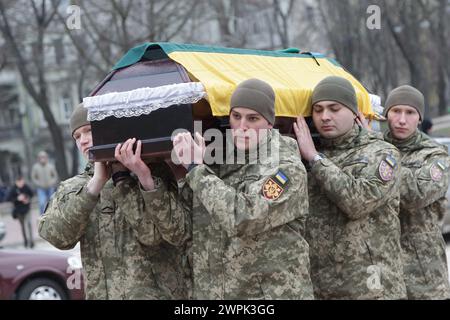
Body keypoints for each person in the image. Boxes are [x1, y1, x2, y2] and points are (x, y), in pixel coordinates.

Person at [172, 78, 314, 299]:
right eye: (236, 116)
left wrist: (195, 169)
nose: (242, 126)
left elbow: (244, 217)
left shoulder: (286, 169)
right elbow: (186, 226)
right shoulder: (219, 160)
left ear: (269, 123)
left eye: (253, 118)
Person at [39, 103, 189, 300]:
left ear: (107, 131)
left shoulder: (152, 173)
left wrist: (127, 179)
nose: (83, 141)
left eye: (89, 131)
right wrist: (95, 185)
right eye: (77, 136)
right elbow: (58, 237)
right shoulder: (73, 188)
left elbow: (168, 234)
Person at [293, 76, 407, 299]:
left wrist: (315, 159)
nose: (325, 116)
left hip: (371, 287)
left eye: (334, 109)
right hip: (322, 285)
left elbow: (358, 202)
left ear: (354, 112)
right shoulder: (305, 155)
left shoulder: (382, 153)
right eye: (318, 110)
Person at [383, 85, 450, 299]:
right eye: (396, 111)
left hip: (423, 271)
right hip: (380, 266)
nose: (402, 120)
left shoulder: (434, 155)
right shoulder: (373, 148)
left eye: (410, 112)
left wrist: (382, 161)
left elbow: (416, 195)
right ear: (385, 115)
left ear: (419, 118)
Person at [6, 176, 34, 248]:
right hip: (19, 210)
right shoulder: (13, 189)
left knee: (29, 224)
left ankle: (31, 242)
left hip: (27, 208)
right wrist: (17, 199)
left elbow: (32, 194)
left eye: (22, 182)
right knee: (23, 226)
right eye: (19, 183)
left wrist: (27, 198)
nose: (21, 184)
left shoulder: (26, 187)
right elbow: (8, 198)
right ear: (16, 182)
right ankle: (26, 241)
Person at [31, 151, 58, 215]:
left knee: (51, 202)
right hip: (41, 189)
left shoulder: (50, 166)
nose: (42, 159)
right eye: (41, 157)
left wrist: (52, 182)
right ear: (39, 158)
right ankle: (42, 216)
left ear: (46, 158)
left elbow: (55, 176)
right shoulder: (35, 167)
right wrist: (38, 183)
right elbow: (33, 177)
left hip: (50, 187)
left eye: (44, 157)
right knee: (42, 203)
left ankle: (52, 215)